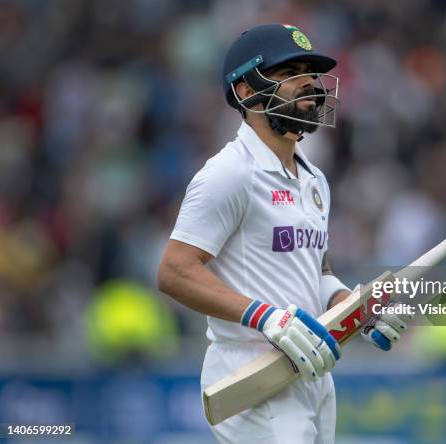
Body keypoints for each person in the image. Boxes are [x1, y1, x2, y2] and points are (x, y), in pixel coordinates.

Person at [157, 23, 406, 443]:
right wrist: (264, 316)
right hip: (253, 373)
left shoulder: (314, 179)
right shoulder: (230, 173)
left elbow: (315, 269)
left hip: (313, 371)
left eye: (310, 71)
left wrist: (353, 306)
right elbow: (175, 272)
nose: (309, 82)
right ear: (244, 91)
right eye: (289, 72)